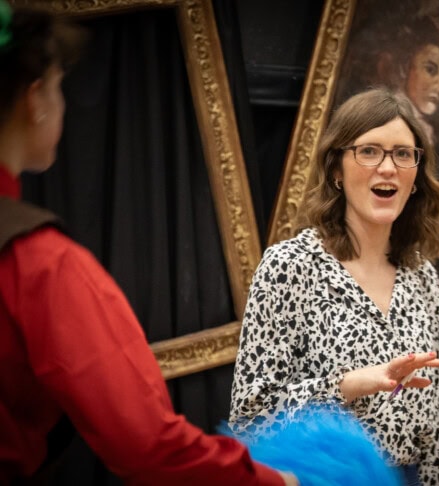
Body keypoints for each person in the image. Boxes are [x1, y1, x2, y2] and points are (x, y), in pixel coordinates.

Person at [0, 4, 297, 484]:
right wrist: (276, 482)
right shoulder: (38, 265)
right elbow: (145, 445)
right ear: (35, 99)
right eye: (59, 87)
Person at [229, 87, 439, 485]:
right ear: (336, 169)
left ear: (417, 176)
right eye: (369, 151)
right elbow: (250, 419)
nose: (387, 167)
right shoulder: (290, 267)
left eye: (403, 154)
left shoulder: (421, 275)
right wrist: (348, 386)